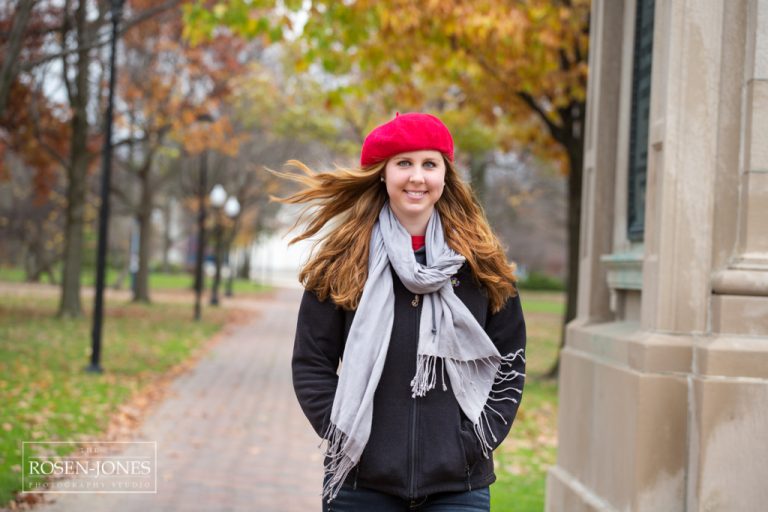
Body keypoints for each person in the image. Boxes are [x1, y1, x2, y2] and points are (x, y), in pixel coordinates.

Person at [278, 112, 526, 511]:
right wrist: (345, 434)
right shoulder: (342, 263)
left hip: (458, 486)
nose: (417, 177)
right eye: (404, 163)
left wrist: (475, 439)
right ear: (383, 173)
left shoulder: (481, 263)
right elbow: (311, 363)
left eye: (430, 164)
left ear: (446, 175)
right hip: (360, 483)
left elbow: (510, 357)